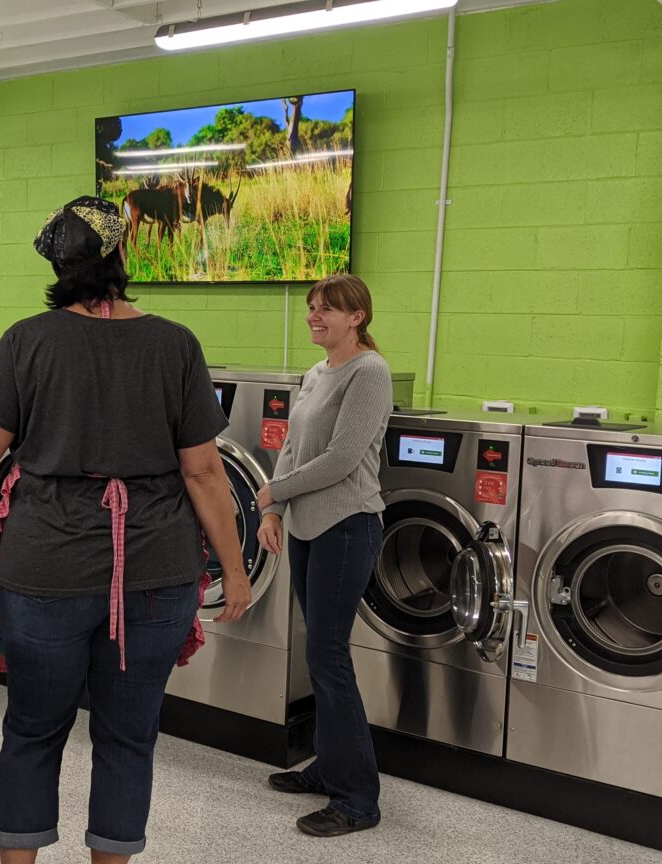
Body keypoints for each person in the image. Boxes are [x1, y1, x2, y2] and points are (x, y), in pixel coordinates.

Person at [0, 196, 250, 864]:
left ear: (60, 269)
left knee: (34, 732)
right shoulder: (175, 345)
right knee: (128, 737)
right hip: (153, 572)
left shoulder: (28, 342)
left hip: (47, 569)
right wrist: (234, 571)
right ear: (122, 256)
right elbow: (206, 473)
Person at [255, 273, 394, 838]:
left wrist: (273, 494)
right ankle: (329, 766)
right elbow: (291, 447)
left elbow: (341, 459)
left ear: (356, 316)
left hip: (348, 525)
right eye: (312, 308)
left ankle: (358, 798)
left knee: (329, 656)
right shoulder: (316, 372)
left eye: (326, 310)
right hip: (310, 528)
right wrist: (273, 511)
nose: (314, 317)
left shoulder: (369, 372)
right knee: (320, 655)